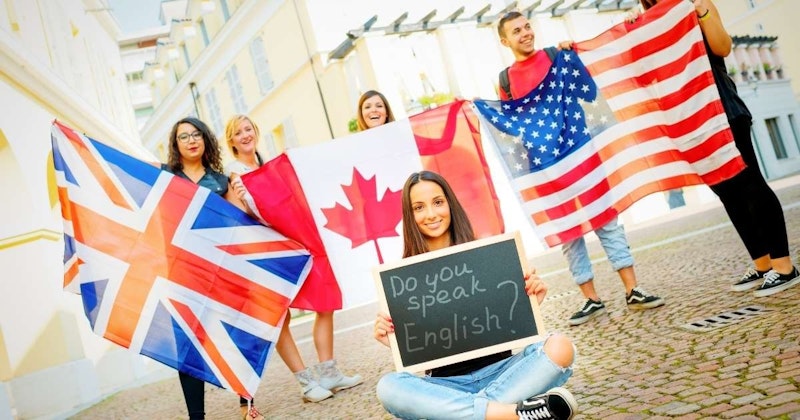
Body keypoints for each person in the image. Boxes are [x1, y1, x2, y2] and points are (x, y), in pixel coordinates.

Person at [496, 11, 665, 326]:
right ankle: (591, 299)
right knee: (569, 234)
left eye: (527, 26)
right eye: (517, 31)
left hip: (582, 153)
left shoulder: (556, 56)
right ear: (505, 41)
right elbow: (510, 125)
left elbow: (588, 92)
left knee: (607, 220)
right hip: (548, 169)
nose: (525, 33)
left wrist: (573, 59)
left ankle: (633, 290)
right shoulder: (505, 81)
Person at [373, 170, 578, 420]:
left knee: (560, 346)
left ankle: (472, 414)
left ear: (450, 204)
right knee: (389, 387)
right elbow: (417, 344)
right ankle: (513, 414)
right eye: (419, 207)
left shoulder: (489, 257)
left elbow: (508, 316)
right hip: (446, 386)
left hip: (505, 373)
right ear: (410, 215)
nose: (431, 214)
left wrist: (530, 302)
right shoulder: (402, 279)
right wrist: (395, 341)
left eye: (438, 202)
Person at [632, 1, 798, 295]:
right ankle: (762, 264)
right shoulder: (646, 21)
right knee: (729, 195)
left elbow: (723, 47)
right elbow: (645, 75)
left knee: (751, 186)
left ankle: (784, 267)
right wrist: (636, 30)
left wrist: (702, 12)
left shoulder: (694, 4)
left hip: (723, 112)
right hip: (692, 123)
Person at [223, 115, 363, 403]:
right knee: (280, 316)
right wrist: (244, 198)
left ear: (256, 131)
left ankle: (329, 372)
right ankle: (306, 383)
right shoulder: (234, 174)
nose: (245, 135)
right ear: (232, 141)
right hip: (267, 251)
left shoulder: (267, 165)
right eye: (238, 133)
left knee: (325, 300)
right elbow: (240, 218)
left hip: (295, 242)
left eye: (248, 129)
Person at [162, 117, 263, 420]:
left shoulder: (221, 181)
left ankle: (247, 405)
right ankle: (197, 416)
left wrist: (243, 198)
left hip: (221, 270)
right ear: (175, 144)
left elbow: (241, 222)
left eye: (197, 134)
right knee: (187, 345)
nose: (191, 140)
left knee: (238, 334)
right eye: (183, 136)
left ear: (206, 140)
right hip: (182, 272)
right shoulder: (165, 176)